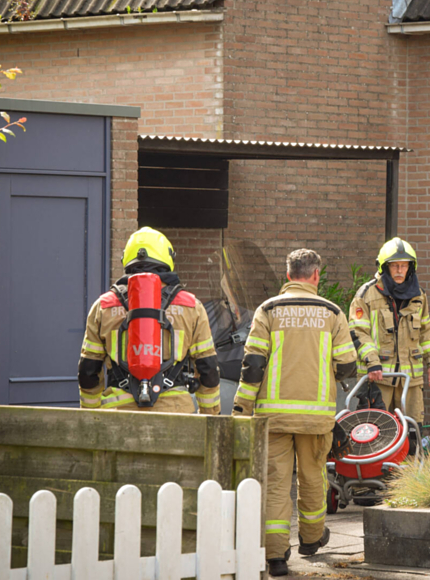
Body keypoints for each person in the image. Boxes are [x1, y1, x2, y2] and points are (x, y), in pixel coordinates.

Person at [232, 249, 357, 577]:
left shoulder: (268, 310)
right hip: (315, 419)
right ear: (315, 275)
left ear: (288, 276)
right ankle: (311, 540)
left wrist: (242, 409)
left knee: (275, 482)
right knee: (313, 477)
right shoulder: (332, 313)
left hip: (273, 418)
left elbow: (253, 364)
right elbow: (347, 365)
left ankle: (275, 556)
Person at [77, 227, 221, 414]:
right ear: (167, 258)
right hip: (176, 415)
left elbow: (88, 372)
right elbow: (208, 370)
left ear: (126, 259)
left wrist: (89, 419)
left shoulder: (103, 306)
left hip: (118, 414)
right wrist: (211, 417)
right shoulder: (192, 306)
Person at [349, 237, 430, 432]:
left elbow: (426, 331)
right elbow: (358, 332)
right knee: (376, 431)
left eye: (404, 266)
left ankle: (409, 463)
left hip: (410, 380)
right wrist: (372, 361)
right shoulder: (366, 295)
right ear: (384, 267)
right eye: (395, 266)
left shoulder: (419, 296)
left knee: (412, 431)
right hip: (377, 378)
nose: (399, 271)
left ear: (411, 268)